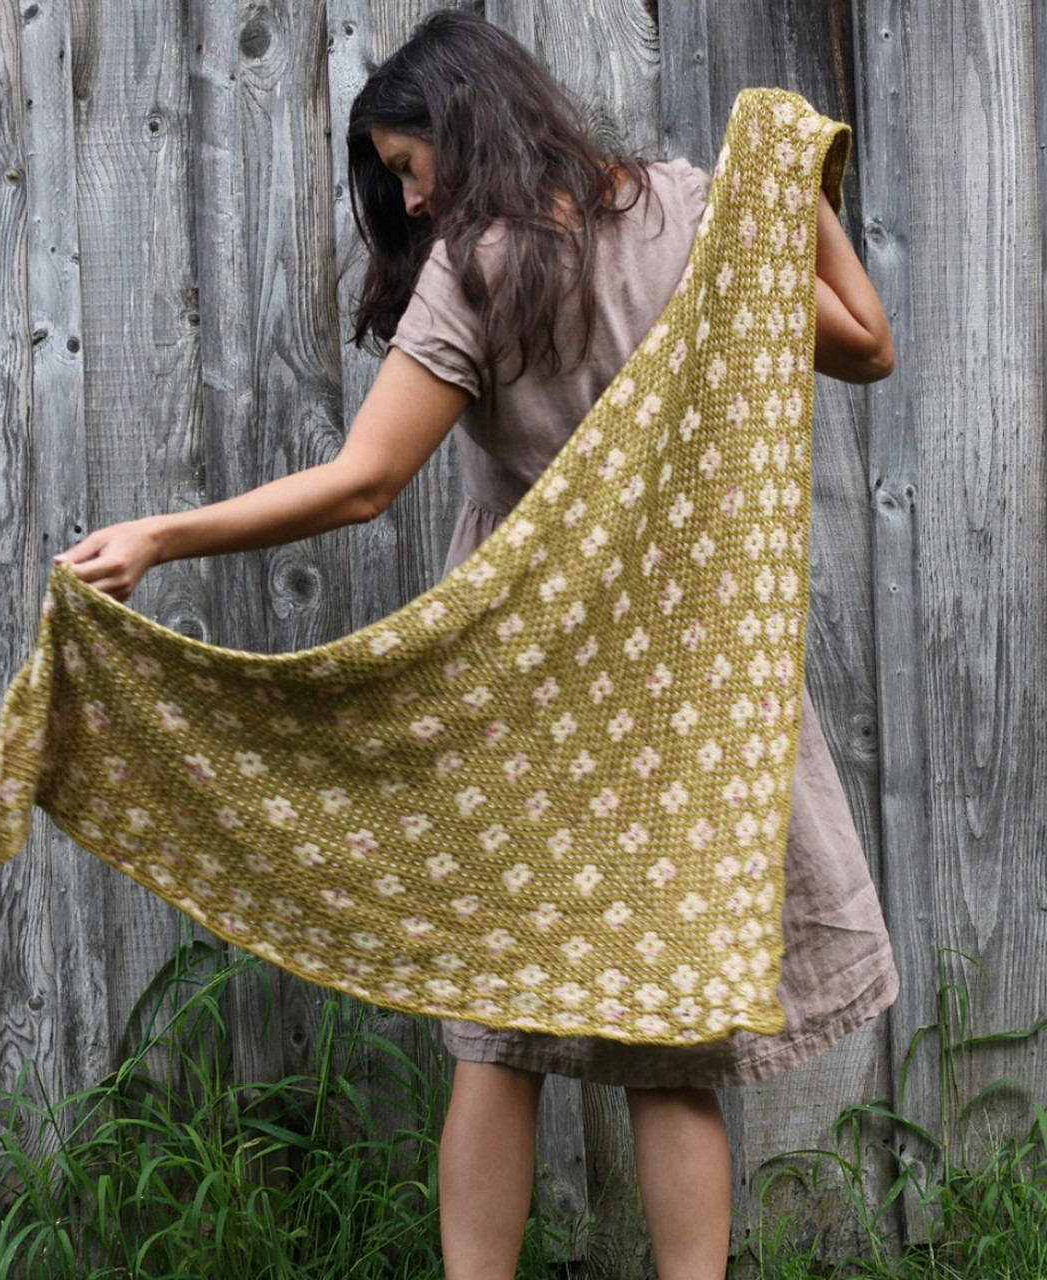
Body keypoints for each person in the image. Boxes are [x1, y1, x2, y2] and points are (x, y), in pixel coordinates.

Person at [55, 12, 896, 1279]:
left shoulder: (480, 264)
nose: (407, 194)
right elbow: (865, 343)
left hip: (531, 702)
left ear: (465, 124)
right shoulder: (696, 209)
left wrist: (161, 536)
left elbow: (360, 482)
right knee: (667, 1047)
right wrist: (784, 184)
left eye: (406, 164)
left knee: (497, 1038)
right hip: (687, 709)